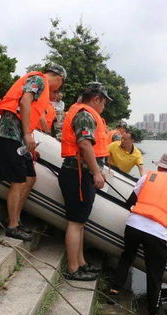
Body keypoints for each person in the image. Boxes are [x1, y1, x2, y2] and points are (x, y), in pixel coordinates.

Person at [110, 153, 167, 315]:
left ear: (160, 166)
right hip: (156, 234)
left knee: (127, 257)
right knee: (154, 274)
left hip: (134, 226)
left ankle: (114, 291)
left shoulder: (148, 177)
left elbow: (130, 202)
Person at [0, 64, 66, 240]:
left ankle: (16, 220)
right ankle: (12, 225)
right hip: (10, 134)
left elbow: (29, 113)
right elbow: (25, 102)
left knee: (30, 177)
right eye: (61, 85)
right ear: (59, 79)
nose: (57, 90)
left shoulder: (41, 84)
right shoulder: (39, 80)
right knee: (18, 181)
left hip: (19, 137)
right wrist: (27, 135)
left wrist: (30, 142)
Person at [59, 82, 112, 281]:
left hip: (81, 174)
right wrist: (97, 173)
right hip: (77, 174)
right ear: (96, 99)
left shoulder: (86, 114)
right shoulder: (85, 115)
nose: (104, 107)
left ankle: (81, 263)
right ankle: (73, 269)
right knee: (75, 222)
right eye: (104, 102)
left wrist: (97, 171)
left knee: (80, 222)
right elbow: (84, 145)